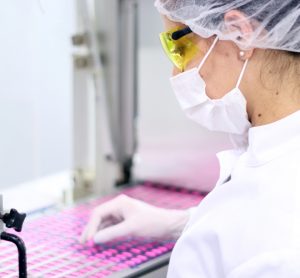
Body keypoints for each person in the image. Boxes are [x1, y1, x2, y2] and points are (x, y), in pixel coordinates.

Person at [81, 0, 300, 276]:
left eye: (178, 49)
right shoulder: (275, 152)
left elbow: (263, 232)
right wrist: (181, 223)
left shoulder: (281, 247)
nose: (177, 72)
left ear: (241, 34)